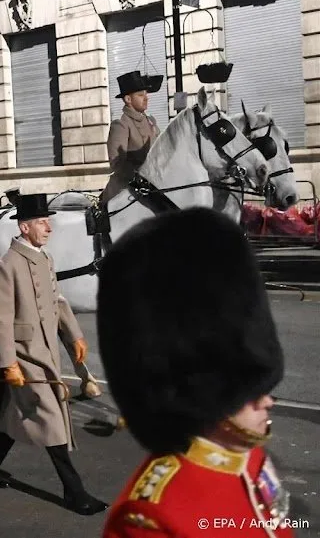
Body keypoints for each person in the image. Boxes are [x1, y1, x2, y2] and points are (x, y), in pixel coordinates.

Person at [98, 209, 292, 537]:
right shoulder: (150, 519)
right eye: (245, 388)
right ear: (196, 385)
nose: (267, 399)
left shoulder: (249, 455)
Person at [0, 193, 107, 516]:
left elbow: (58, 301)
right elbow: (1, 320)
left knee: (10, 416)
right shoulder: (6, 266)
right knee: (51, 418)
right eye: (43, 222)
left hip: (48, 353)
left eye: (49, 221)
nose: (50, 227)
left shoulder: (45, 259)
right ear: (25, 226)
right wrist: (8, 364)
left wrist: (74, 335)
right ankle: (75, 492)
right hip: (26, 356)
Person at [100, 71, 160, 204]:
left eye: (146, 94)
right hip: (126, 194)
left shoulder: (151, 122)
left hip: (153, 188)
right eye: (140, 95)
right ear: (128, 99)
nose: (146, 98)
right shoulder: (121, 125)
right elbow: (117, 163)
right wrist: (143, 177)